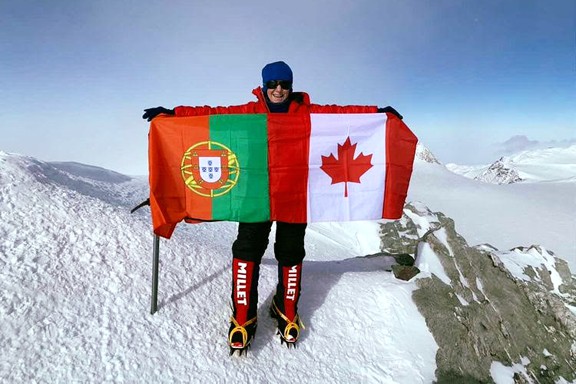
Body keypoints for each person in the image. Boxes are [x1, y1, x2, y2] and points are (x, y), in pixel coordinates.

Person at [143, 61, 403, 355]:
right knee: (247, 248)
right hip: (255, 193)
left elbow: (342, 115)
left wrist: (378, 114)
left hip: (295, 193)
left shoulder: (307, 112)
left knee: (291, 249)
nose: (278, 90)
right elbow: (211, 115)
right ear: (264, 86)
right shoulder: (250, 112)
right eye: (273, 84)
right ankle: (243, 315)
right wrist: (174, 114)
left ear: (291, 87)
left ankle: (286, 305)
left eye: (284, 84)